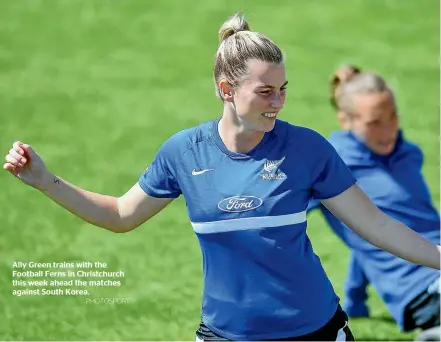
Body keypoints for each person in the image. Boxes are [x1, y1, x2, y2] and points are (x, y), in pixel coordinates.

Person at [3, 13, 440, 342]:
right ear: (226, 89)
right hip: (225, 334)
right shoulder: (183, 152)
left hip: (315, 331)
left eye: (284, 88)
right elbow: (120, 215)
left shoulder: (307, 149)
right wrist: (45, 180)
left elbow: (378, 226)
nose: (279, 101)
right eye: (265, 91)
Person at [308, 65, 440, 334]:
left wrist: (356, 300)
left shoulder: (408, 154)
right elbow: (281, 218)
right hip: (420, 288)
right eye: (374, 122)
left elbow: (369, 232)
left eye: (392, 116)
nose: (388, 130)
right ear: (346, 120)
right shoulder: (330, 167)